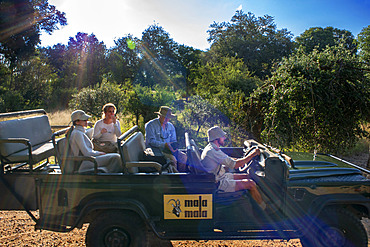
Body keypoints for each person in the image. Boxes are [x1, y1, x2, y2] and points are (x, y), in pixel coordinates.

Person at [201, 126, 266, 210]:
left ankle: (256, 202)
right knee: (251, 184)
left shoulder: (212, 148)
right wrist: (252, 155)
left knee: (248, 176)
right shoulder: (213, 151)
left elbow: (229, 159)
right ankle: (263, 210)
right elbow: (235, 165)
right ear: (217, 139)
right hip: (218, 183)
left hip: (220, 177)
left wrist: (243, 159)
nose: (224, 138)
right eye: (222, 136)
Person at [145, 106, 187, 172]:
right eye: (165, 117)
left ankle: (182, 175)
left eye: (169, 118)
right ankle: (174, 178)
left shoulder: (170, 126)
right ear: (160, 116)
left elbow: (173, 140)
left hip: (169, 149)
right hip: (156, 150)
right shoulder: (150, 125)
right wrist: (165, 145)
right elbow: (151, 141)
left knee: (183, 157)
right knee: (172, 159)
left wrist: (173, 148)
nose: (167, 119)